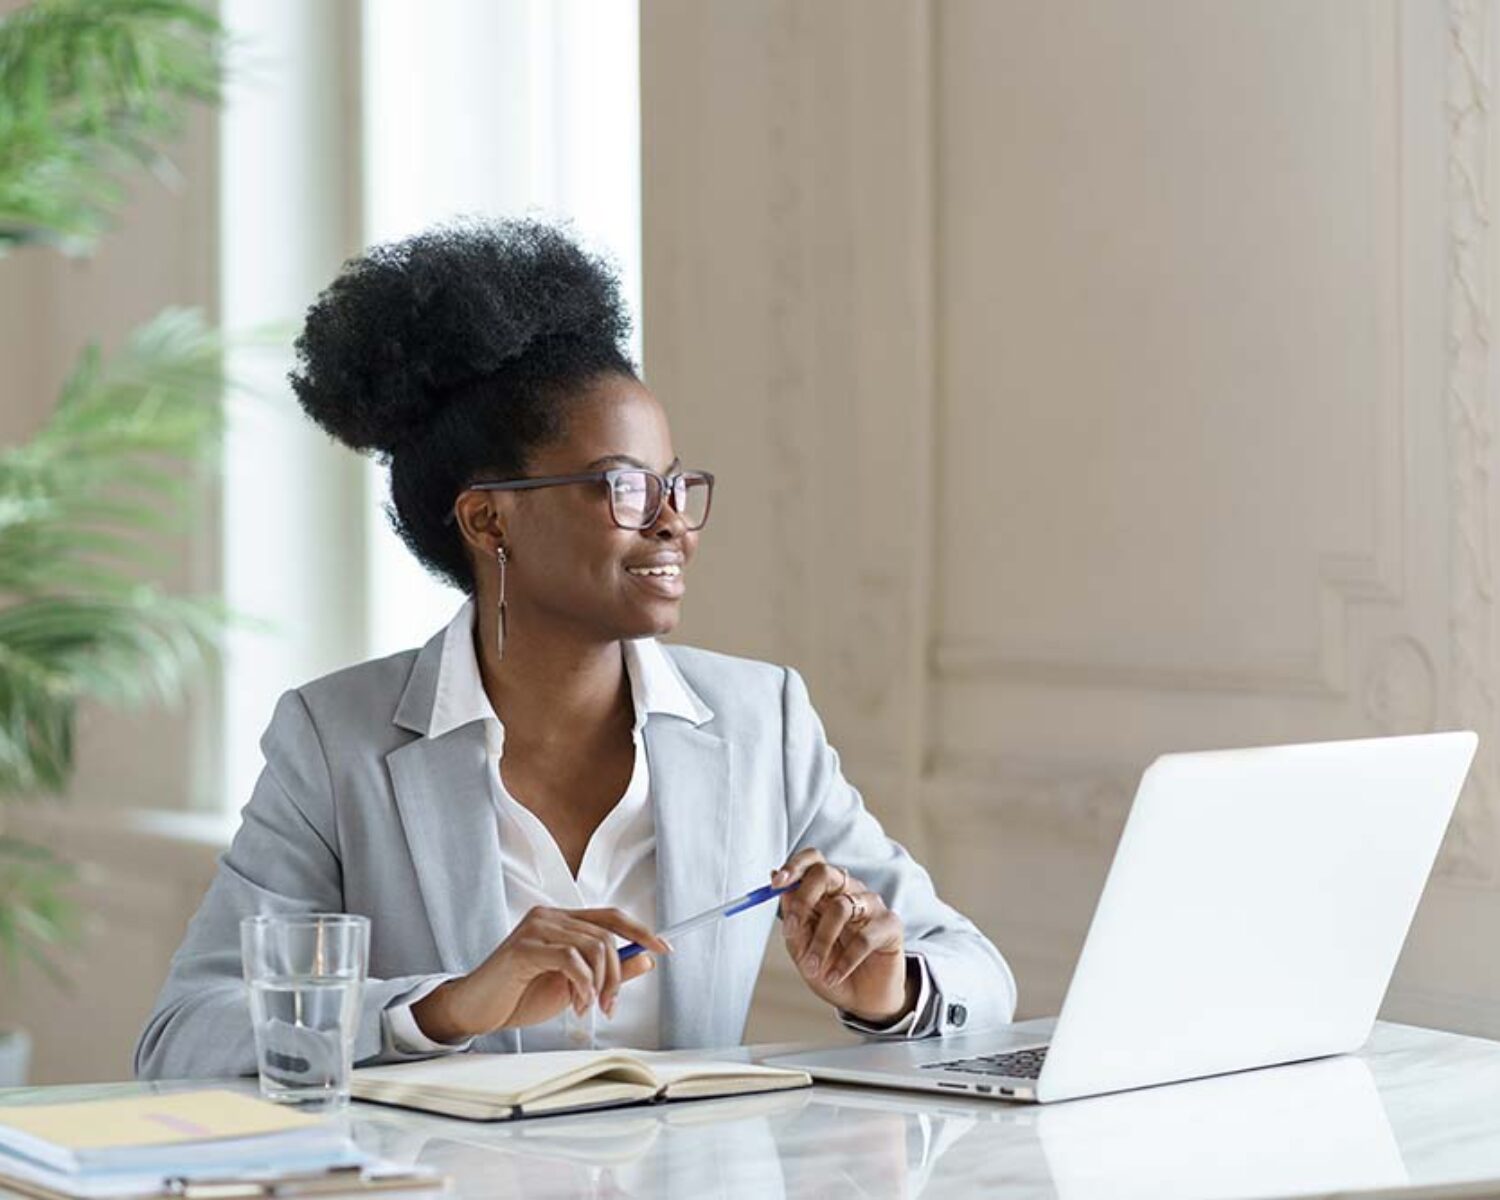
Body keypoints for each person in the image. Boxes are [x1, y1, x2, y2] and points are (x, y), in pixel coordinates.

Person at [134, 219, 1016, 1078]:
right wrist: (448, 1006)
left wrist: (889, 988)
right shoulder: (336, 742)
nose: (672, 521)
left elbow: (981, 975)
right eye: (623, 487)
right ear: (488, 519)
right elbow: (183, 1038)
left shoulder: (760, 721)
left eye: (675, 483)